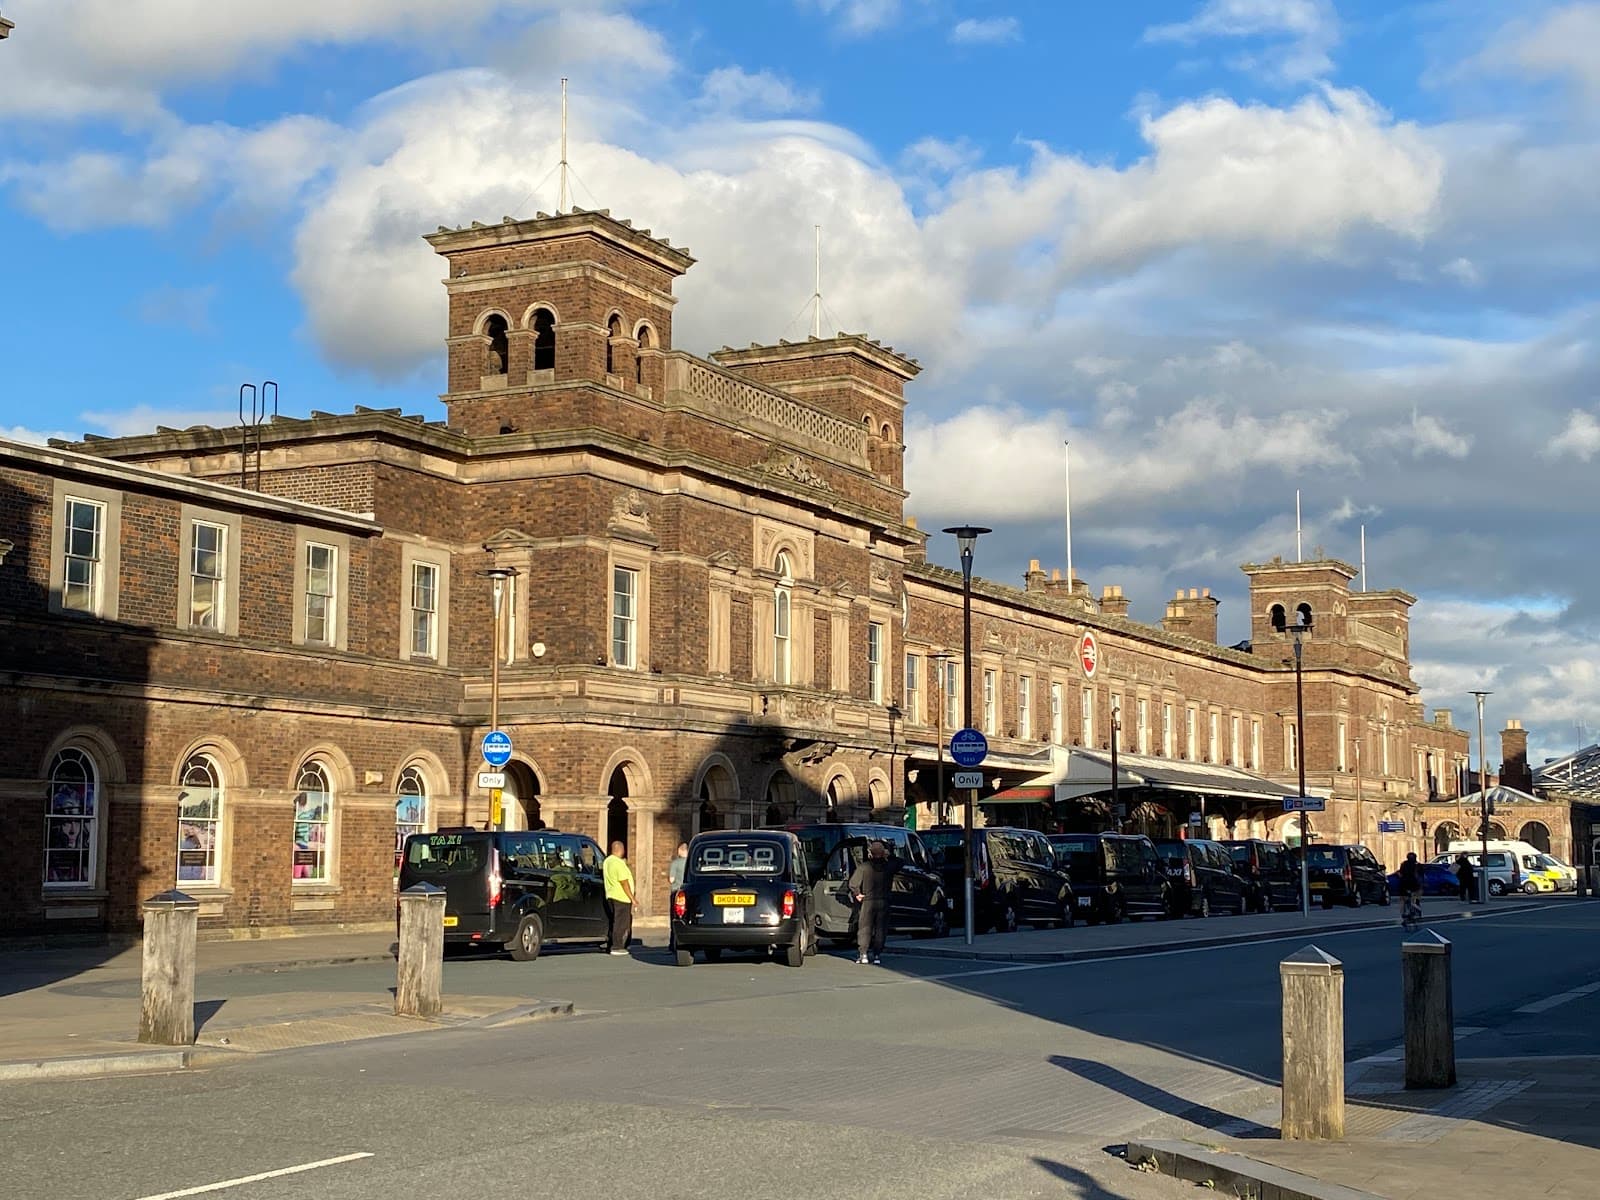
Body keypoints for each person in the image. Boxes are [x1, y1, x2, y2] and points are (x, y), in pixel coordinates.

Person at [847, 840, 895, 965]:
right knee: (880, 929)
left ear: (870, 853)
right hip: (884, 901)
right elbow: (901, 862)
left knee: (864, 928)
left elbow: (853, 883)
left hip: (868, 901)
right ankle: (877, 954)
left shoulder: (864, 867)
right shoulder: (889, 866)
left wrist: (857, 893)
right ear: (883, 852)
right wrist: (888, 854)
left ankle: (863, 954)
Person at [602, 841, 635, 957]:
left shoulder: (607, 861)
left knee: (614, 922)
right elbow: (624, 882)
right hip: (621, 897)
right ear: (621, 850)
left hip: (610, 895)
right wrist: (632, 898)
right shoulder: (618, 863)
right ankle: (617, 946)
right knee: (621, 923)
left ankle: (610, 944)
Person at [1397, 852, 1423, 924]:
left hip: (1405, 884)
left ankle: (1404, 914)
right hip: (1414, 885)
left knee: (1403, 900)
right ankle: (1416, 911)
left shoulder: (1404, 864)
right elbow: (1420, 876)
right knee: (1413, 900)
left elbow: (1400, 874)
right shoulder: (1417, 865)